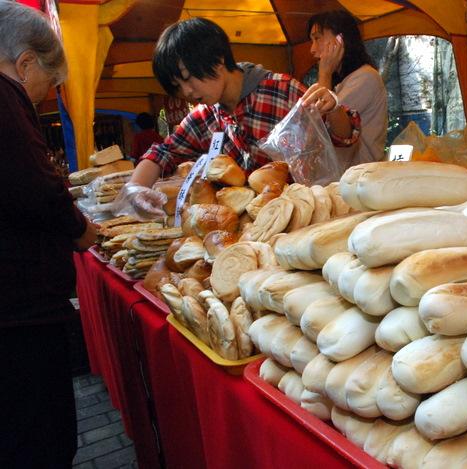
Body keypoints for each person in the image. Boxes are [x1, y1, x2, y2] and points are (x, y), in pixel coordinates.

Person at [126, 17, 360, 217]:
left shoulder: (281, 90)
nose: (186, 92)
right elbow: (164, 152)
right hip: (244, 229)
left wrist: (333, 107)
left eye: (188, 78)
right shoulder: (206, 114)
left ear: (217, 60)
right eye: (177, 86)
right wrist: (136, 189)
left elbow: (345, 136)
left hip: (303, 216)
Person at [0, 1, 98, 467]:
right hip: (19, 317)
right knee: (40, 442)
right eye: (46, 85)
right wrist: (81, 230)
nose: (43, 98)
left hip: (15, 311)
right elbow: (37, 188)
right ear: (24, 63)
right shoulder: (4, 96)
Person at [308, 10, 388, 167]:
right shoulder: (345, 81)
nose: (312, 49)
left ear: (340, 40)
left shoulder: (366, 78)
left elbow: (321, 128)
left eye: (317, 38)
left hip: (360, 181)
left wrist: (324, 73)